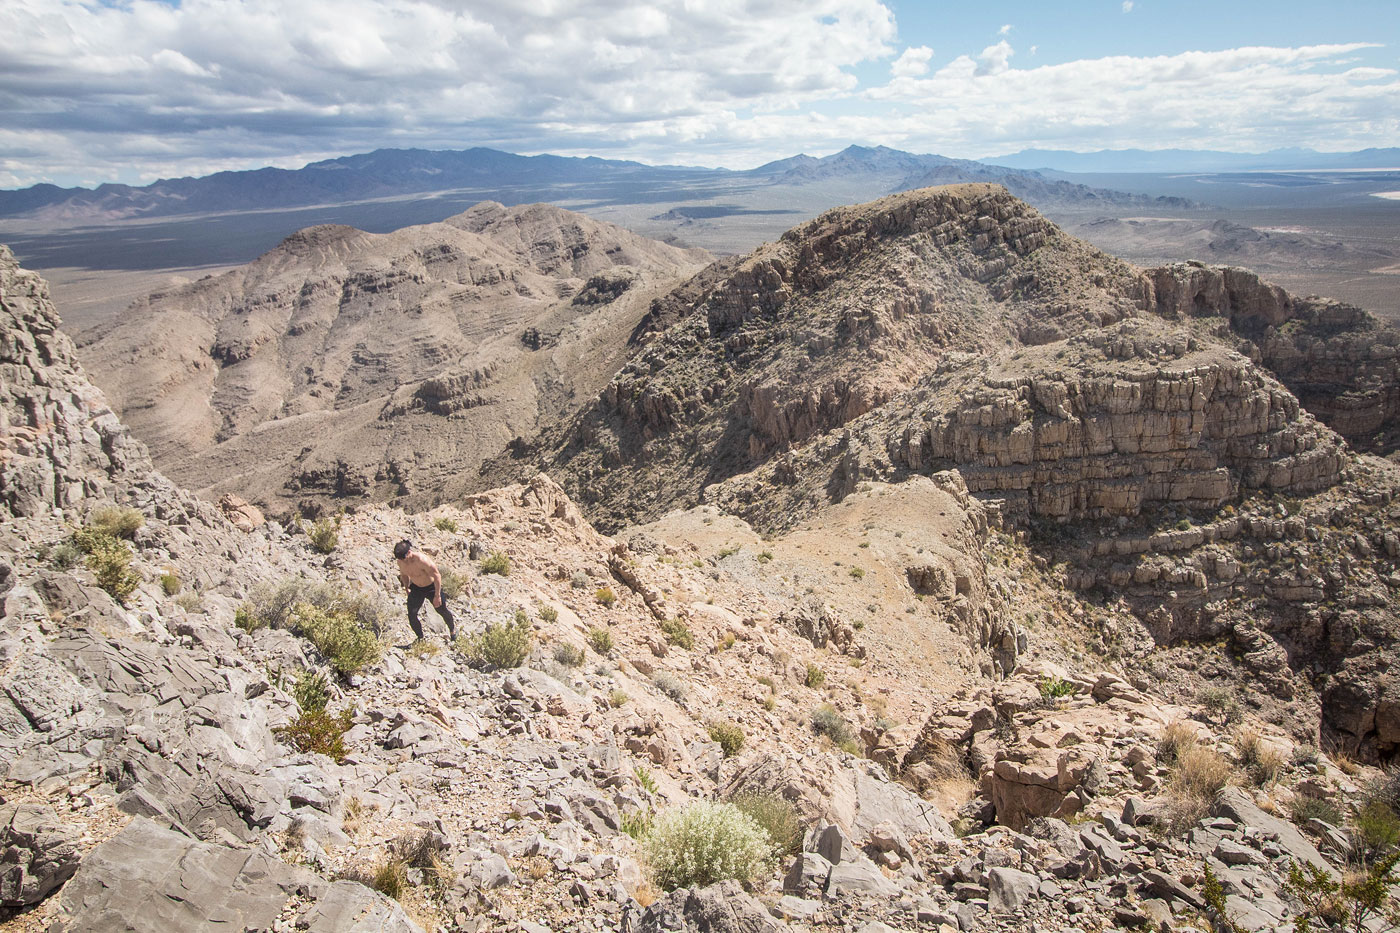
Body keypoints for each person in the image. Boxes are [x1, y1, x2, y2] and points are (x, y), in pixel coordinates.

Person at [393, 539, 456, 642]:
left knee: (441, 610)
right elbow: (404, 575)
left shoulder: (422, 560)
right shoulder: (401, 562)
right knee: (412, 614)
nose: (402, 560)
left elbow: (437, 576)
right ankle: (420, 637)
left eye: (403, 558)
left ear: (409, 552)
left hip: (431, 587)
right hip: (417, 588)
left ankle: (452, 630)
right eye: (399, 558)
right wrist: (406, 587)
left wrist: (437, 595)